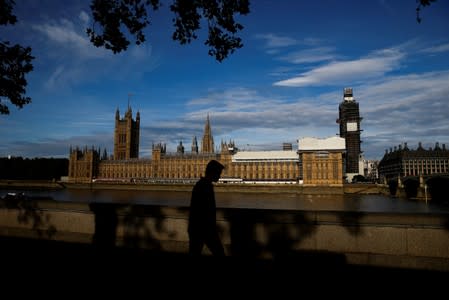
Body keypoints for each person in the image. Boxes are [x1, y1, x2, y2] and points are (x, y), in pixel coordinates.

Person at [188, 159, 225, 257]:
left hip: (198, 228)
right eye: (219, 173)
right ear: (213, 172)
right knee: (219, 253)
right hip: (203, 229)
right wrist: (210, 229)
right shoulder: (205, 186)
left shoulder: (203, 184)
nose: (220, 176)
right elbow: (204, 210)